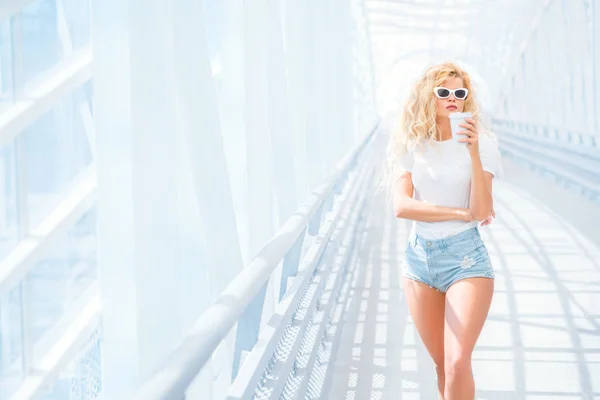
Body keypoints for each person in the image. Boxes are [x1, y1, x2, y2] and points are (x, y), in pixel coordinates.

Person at [385, 62, 503, 399]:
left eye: (460, 93)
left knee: (457, 362)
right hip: (419, 262)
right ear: (429, 96)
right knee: (441, 364)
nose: (453, 98)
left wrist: (474, 154)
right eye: (444, 92)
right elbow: (401, 207)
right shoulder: (411, 146)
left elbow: (480, 212)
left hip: (466, 259)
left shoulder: (484, 146)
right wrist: (458, 211)